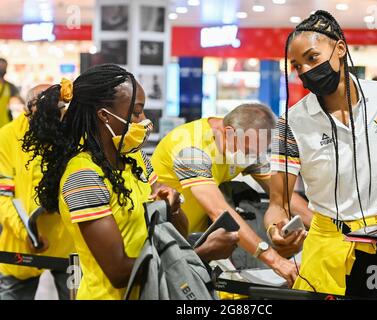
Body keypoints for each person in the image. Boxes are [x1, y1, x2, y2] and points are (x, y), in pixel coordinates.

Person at [22, 64, 238, 300]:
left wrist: (173, 206)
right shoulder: (83, 177)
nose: (144, 120)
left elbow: (178, 234)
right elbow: (119, 271)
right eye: (136, 113)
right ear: (104, 115)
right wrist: (202, 254)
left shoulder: (136, 160)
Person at [266, 10, 377, 299]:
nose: (304, 71)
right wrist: (275, 231)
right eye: (296, 66)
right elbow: (278, 202)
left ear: (340, 48)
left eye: (312, 58)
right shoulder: (291, 122)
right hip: (325, 250)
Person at [151, 103, 313, 286]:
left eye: (259, 151)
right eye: (249, 151)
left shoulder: (247, 142)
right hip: (161, 240)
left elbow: (283, 195)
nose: (253, 156)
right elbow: (218, 210)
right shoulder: (190, 147)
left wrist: (326, 228)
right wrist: (275, 260)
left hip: (195, 238)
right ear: (228, 131)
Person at [0, 84, 74, 300]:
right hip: (23, 244)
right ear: (27, 110)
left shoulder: (70, 131)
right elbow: (3, 195)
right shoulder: (7, 136)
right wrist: (28, 233)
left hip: (68, 242)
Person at [0, 58, 22, 128]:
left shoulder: (9, 86)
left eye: (4, 66)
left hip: (5, 123)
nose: (2, 69)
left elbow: (20, 100)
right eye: (0, 66)